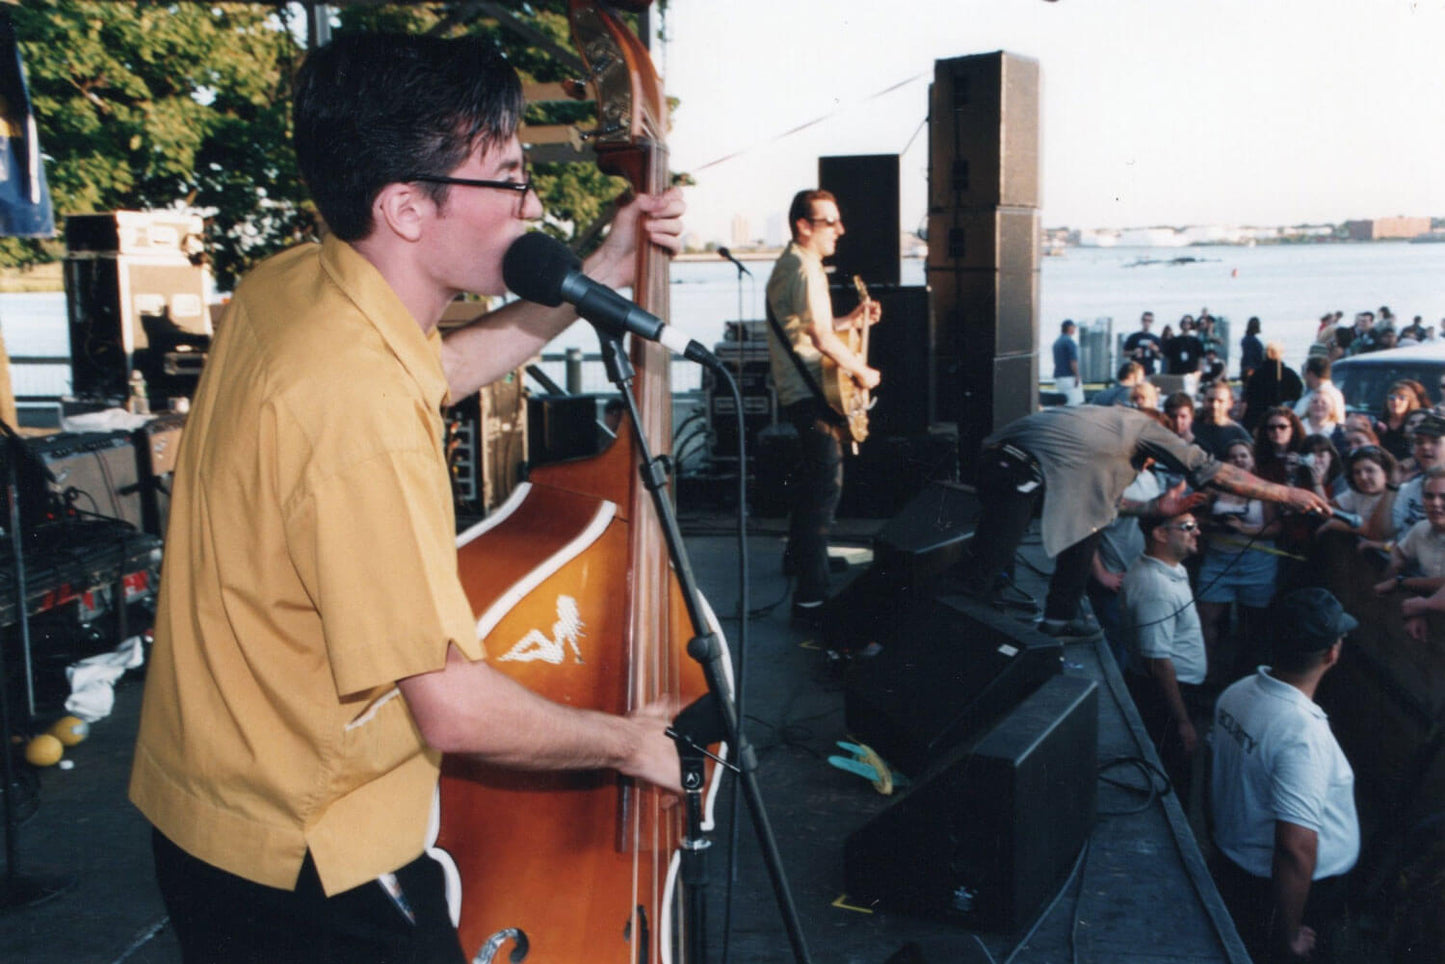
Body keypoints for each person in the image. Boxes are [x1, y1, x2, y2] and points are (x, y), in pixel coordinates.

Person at [128, 33, 688, 963]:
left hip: (207, 812)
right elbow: (454, 708)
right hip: (313, 854)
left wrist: (600, 270)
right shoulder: (356, 409)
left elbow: (438, 370)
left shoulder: (295, 287)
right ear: (405, 208)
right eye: (506, 179)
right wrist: (633, 744)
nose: (531, 204)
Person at [958, 405, 1330, 638]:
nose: (1147, 466)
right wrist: (1286, 494)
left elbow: (1103, 503)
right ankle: (1040, 620)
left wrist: (1152, 509)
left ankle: (1025, 616)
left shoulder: (1097, 424)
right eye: (1150, 460)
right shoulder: (1143, 429)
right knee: (993, 564)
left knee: (995, 558)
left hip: (991, 461)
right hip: (1024, 472)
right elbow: (1212, 470)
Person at [1210, 587, 1359, 963]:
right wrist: (1289, 934)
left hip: (1237, 865)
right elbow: (1295, 847)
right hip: (1287, 893)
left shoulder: (1236, 693)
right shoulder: (1302, 734)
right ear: (1332, 654)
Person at [765, 188, 881, 621]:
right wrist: (863, 371)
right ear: (804, 226)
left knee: (812, 482)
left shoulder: (797, 263)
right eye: (830, 222)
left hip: (804, 389)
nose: (840, 230)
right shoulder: (804, 268)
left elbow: (810, 326)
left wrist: (851, 320)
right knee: (824, 489)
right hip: (810, 392)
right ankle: (810, 598)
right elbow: (819, 338)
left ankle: (800, 559)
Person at [1120, 509, 1209, 795]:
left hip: (1178, 689)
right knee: (1174, 774)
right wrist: (1182, 721)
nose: (1197, 532)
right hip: (1167, 695)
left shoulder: (1172, 568)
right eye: (1187, 526)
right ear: (1159, 534)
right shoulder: (1155, 589)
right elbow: (1157, 662)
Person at [1196, 442, 1280, 684]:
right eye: (1233, 457)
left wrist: (1243, 528)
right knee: (1206, 617)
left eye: (1244, 456)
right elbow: (1199, 519)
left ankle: (1244, 676)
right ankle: (1207, 672)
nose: (1239, 460)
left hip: (1256, 563)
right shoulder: (1214, 488)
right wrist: (1216, 524)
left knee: (1251, 623)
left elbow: (1275, 527)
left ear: (1252, 460)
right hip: (1218, 559)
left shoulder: (1263, 489)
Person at [1241, 341, 1303, 430]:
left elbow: (1249, 398)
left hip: (1258, 420)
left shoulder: (1256, 375)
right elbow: (1298, 395)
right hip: (1282, 420)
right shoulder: (1290, 374)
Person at [1194, 381, 1253, 459]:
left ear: (1230, 404)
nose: (1214, 405)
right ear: (1203, 401)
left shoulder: (1238, 434)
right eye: (1210, 400)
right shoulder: (1191, 429)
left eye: (1220, 401)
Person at [1375, 378, 1424, 461]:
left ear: (1410, 402)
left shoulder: (1414, 423)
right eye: (1392, 398)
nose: (1395, 402)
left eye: (1401, 398)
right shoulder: (1378, 423)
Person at [1052, 319, 1084, 405]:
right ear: (1069, 328)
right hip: (1069, 377)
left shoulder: (1057, 342)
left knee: (1063, 402)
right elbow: (1073, 361)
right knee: (1074, 403)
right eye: (1073, 327)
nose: (1075, 329)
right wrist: (1077, 375)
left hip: (1059, 377)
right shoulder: (1069, 342)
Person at [1123, 310, 1163, 376]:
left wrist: (1155, 350)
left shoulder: (1155, 339)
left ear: (1152, 322)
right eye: (1145, 320)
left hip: (1149, 371)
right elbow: (1124, 353)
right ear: (1141, 321)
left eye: (1149, 321)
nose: (1147, 323)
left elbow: (1160, 357)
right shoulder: (1133, 337)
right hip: (1135, 371)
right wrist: (1134, 352)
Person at [1239, 316, 1264, 381]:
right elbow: (1250, 357)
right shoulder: (1252, 341)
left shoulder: (1246, 339)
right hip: (1253, 370)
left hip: (1249, 369)